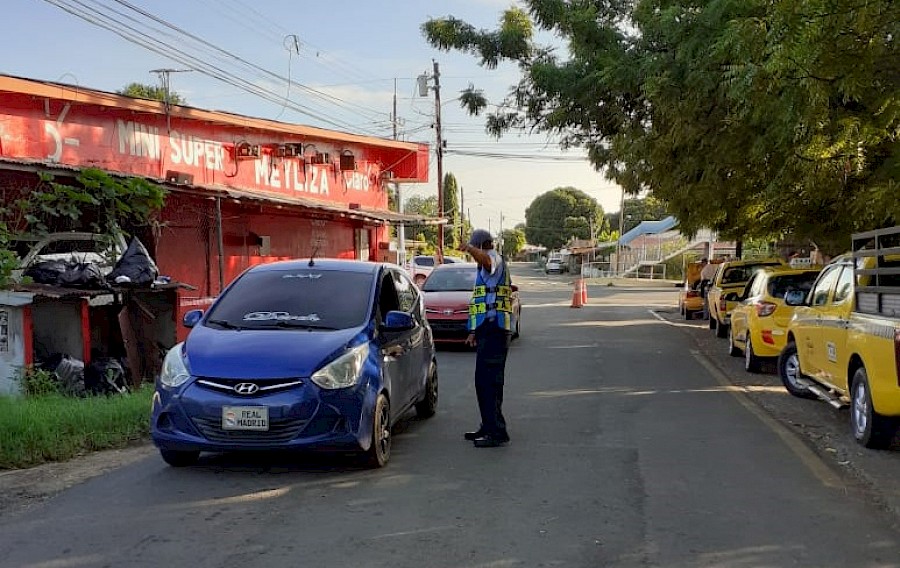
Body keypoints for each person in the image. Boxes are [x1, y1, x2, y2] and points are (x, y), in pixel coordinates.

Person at [461, 229, 513, 448]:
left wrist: (470, 248)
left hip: (496, 329)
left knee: (489, 382)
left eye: (475, 249)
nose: (473, 257)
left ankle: (496, 431)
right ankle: (488, 425)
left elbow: (486, 260)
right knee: (483, 382)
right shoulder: (484, 267)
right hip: (487, 329)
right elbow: (482, 300)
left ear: (482, 245)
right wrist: (474, 331)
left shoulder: (494, 258)